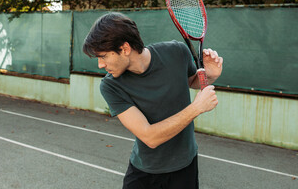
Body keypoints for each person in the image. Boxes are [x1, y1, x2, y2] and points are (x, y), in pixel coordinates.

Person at [83, 12, 223, 189]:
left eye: (103, 56)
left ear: (125, 49)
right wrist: (196, 108)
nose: (100, 65)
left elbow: (191, 81)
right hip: (144, 173)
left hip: (185, 167)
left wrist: (211, 74)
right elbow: (150, 137)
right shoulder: (111, 86)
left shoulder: (176, 52)